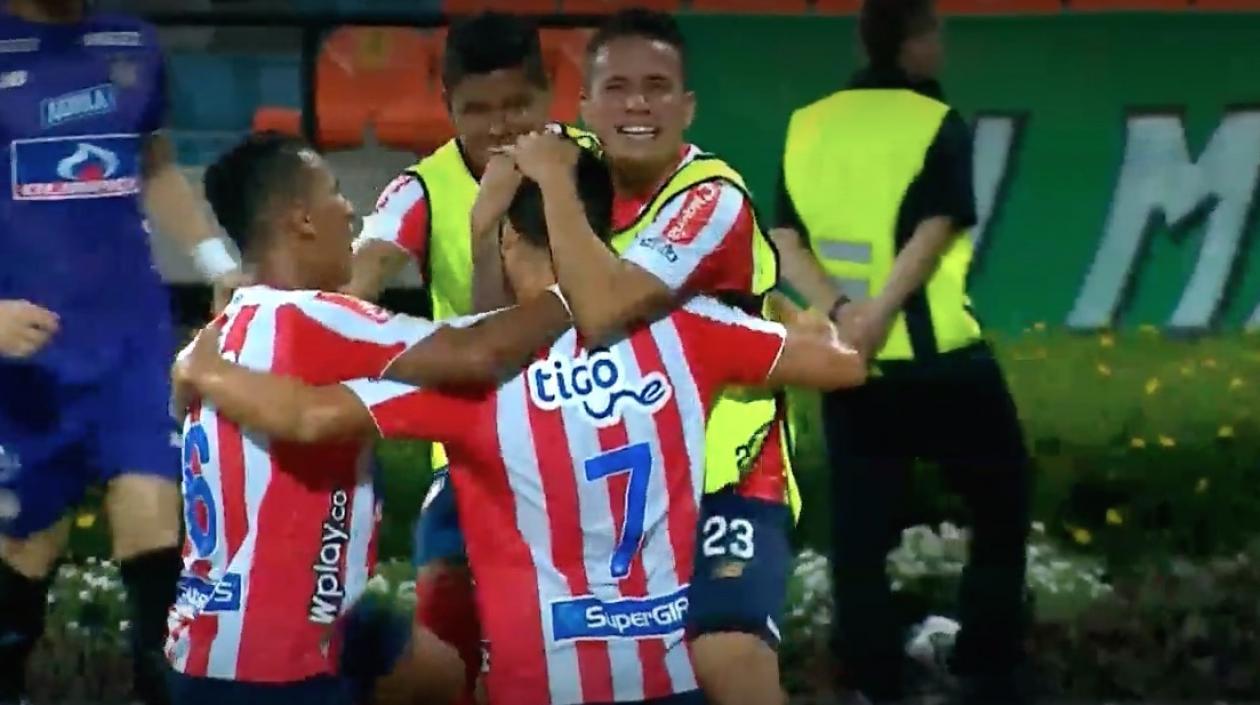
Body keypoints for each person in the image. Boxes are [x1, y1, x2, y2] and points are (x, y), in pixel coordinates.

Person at [171, 145, 869, 705]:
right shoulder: (690, 329)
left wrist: (201, 373)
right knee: (417, 661)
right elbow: (844, 366)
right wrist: (791, 314)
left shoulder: (473, 385)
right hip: (666, 682)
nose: (347, 209)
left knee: (425, 658)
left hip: (525, 685)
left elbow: (314, 414)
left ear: (508, 240)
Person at [162, 131, 596, 705]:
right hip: (269, 668)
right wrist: (589, 289)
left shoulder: (227, 328)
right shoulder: (312, 318)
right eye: (335, 193)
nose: (350, 211)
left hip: (230, 629)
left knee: (439, 674)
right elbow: (479, 351)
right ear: (302, 220)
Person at [486, 10, 797, 705]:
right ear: (587, 104)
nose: (637, 104)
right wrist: (490, 221)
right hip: (603, 479)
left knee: (729, 657)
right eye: (618, 87)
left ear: (687, 107)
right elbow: (495, 307)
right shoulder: (566, 166)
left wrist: (556, 184)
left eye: (657, 87)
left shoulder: (710, 199)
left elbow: (602, 308)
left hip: (729, 477)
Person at [769, 0, 1033, 702]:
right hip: (942, 358)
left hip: (851, 363)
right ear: (916, 41)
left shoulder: (808, 125)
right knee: (1003, 498)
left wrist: (841, 314)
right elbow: (936, 226)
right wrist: (880, 313)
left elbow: (786, 240)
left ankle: (870, 677)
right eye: (935, 32)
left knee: (860, 529)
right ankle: (985, 662)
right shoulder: (934, 121)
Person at [341, 14, 597, 702]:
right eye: (476, 110)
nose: (498, 126)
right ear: (447, 106)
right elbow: (363, 272)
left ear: (549, 96)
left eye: (516, 104)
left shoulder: (594, 166)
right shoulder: (419, 189)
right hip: (472, 460)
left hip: (592, 445)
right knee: (444, 655)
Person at [0, 1, 245, 703]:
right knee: (25, 553)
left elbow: (156, 165)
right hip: (25, 358)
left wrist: (214, 261)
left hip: (130, 343)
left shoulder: (133, 40)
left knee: (155, 533)